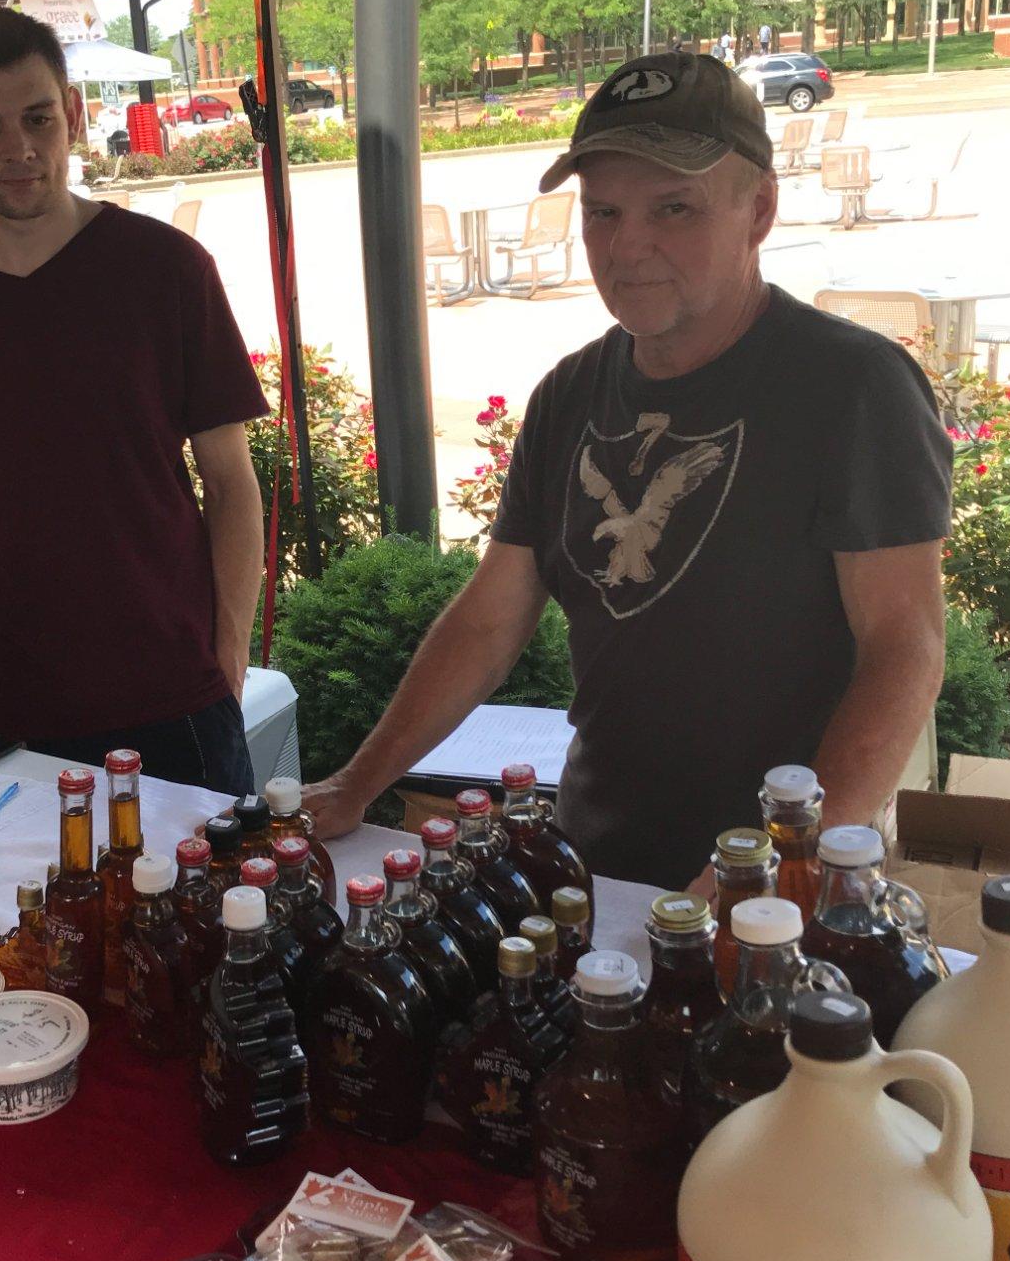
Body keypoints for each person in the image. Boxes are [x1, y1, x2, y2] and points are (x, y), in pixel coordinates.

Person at [303, 51, 952, 895]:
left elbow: (904, 650)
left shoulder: (852, 386)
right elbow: (489, 624)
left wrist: (781, 866)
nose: (628, 245)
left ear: (759, 209)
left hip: (777, 892)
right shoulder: (571, 392)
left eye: (673, 208)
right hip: (594, 865)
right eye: (603, 211)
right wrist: (359, 783)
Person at [0, 5, 267, 793]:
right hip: (5, 704)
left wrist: (227, 647)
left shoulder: (168, 271)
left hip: (173, 686)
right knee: (33, 918)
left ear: (75, 117)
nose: (18, 149)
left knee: (212, 908)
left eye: (38, 118)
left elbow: (231, 483)